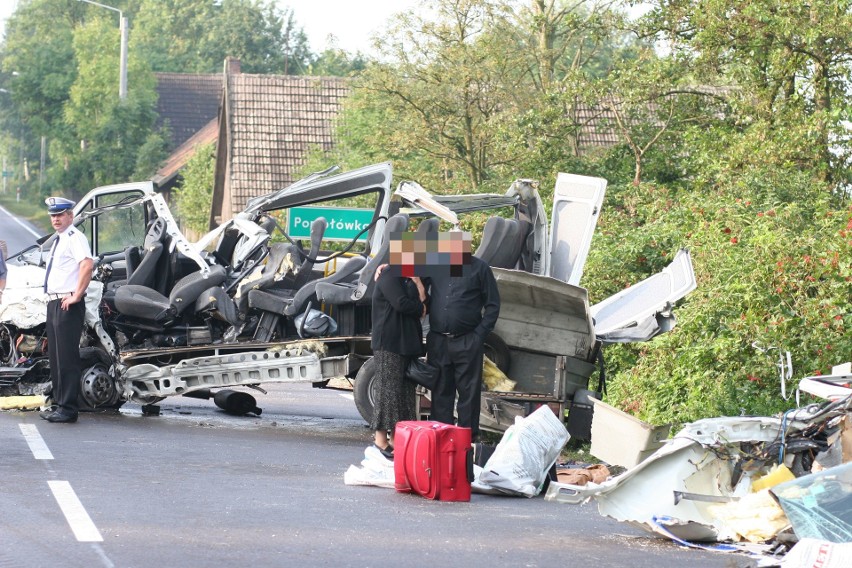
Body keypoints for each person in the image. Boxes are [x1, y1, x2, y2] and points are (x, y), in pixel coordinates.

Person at [424, 232, 500, 441]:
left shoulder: (480, 268)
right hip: (438, 340)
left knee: (468, 394)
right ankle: (441, 438)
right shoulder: (436, 265)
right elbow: (406, 271)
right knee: (440, 392)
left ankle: (466, 442)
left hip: (467, 340)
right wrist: (384, 267)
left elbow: (493, 305)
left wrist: (478, 335)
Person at [40, 197, 94, 424]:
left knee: (66, 357)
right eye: (53, 215)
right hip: (55, 302)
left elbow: (87, 264)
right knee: (55, 357)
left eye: (60, 215)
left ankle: (68, 408)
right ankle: (59, 404)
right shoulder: (60, 239)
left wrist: (77, 295)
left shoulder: (75, 237)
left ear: (70, 216)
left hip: (67, 302)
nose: (56, 219)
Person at [370, 262, 427, 459]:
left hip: (407, 344)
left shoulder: (410, 277)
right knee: (389, 391)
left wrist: (418, 282)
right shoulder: (389, 274)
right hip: (389, 343)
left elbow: (423, 303)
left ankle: (397, 439)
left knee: (404, 394)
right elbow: (401, 303)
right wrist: (419, 308)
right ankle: (380, 439)